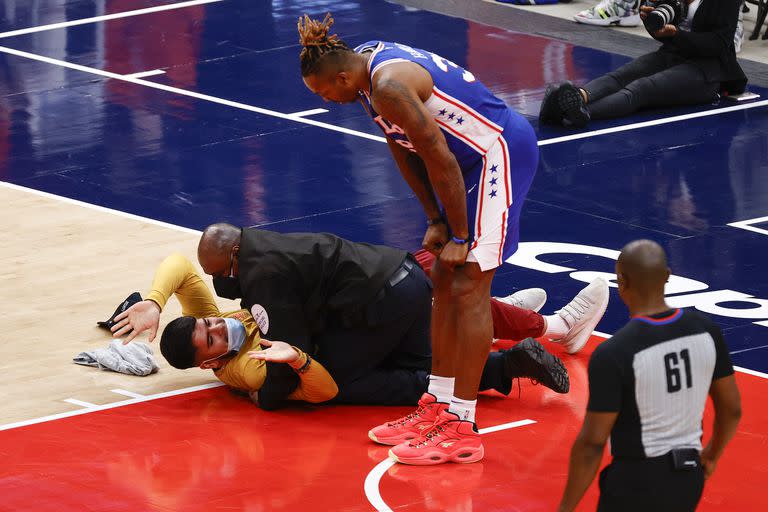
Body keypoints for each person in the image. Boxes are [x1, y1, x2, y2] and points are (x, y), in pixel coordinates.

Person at [296, 13, 610, 465]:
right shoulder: (366, 75)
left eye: (325, 92)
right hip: (462, 165)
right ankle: (437, 404)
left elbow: (438, 154)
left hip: (495, 155)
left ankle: (463, 423)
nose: (327, 100)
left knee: (469, 287)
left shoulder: (387, 86)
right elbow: (404, 149)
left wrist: (460, 231)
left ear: (342, 76)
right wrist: (434, 218)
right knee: (442, 277)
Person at [110, 225, 601, 410]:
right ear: (209, 365)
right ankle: (513, 342)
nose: (219, 321)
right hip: (392, 277)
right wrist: (288, 371)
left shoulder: (262, 286)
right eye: (213, 335)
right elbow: (310, 374)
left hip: (378, 301)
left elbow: (178, 267)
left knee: (373, 379)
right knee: (427, 329)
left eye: (211, 320)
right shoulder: (241, 366)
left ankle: (535, 335)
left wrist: (155, 300)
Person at [558, 240, 742, 512]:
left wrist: (565, 508)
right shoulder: (706, 331)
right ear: (668, 276)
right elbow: (733, 409)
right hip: (689, 477)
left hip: (636, 483)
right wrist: (712, 454)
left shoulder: (615, 352)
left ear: (621, 282)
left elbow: (592, 443)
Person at [540, 0, 747, 128]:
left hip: (709, 71)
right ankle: (577, 96)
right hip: (675, 53)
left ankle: (579, 113)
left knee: (640, 89)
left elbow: (719, 44)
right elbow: (667, 27)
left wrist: (677, 34)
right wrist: (654, 25)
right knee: (619, 76)